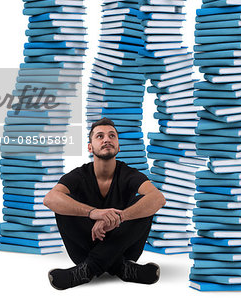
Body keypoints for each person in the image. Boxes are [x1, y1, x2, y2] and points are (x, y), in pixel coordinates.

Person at [43, 117, 166, 290]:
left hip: (124, 248)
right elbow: (50, 199)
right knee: (64, 204)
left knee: (144, 204)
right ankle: (122, 269)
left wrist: (119, 217)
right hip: (84, 250)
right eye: (100, 136)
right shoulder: (79, 175)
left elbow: (158, 198)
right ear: (90, 147)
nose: (107, 139)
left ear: (118, 146)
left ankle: (86, 271)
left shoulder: (129, 174)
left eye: (112, 136)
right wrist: (94, 213)